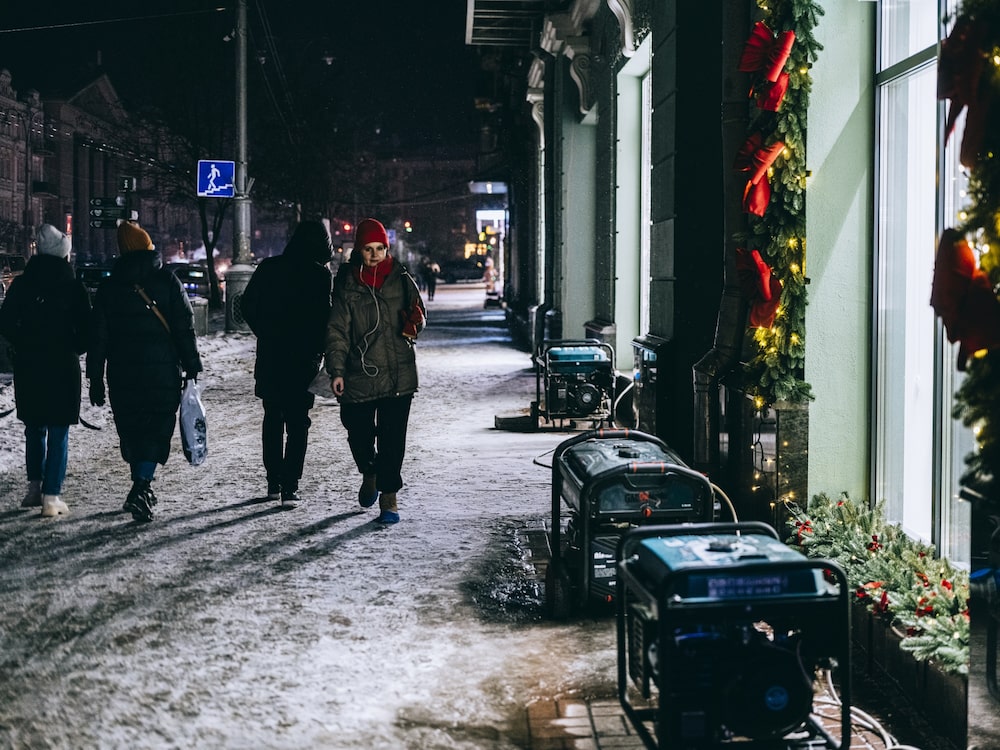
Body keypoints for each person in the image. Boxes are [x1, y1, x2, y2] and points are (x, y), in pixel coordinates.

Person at [86, 221, 203, 523]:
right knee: (155, 429)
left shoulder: (109, 289)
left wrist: (95, 379)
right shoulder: (167, 281)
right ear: (149, 247)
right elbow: (183, 328)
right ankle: (142, 485)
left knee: (134, 429)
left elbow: (97, 339)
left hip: (123, 375)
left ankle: (141, 483)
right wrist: (192, 365)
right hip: (162, 372)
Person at [325, 218, 426, 524]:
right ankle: (369, 470)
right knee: (358, 432)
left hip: (398, 374)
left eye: (379, 248)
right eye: (368, 249)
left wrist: (415, 322)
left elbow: (419, 313)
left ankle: (389, 497)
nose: (374, 255)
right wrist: (337, 370)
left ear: (387, 248)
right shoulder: (347, 283)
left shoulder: (401, 277)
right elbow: (337, 331)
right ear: (359, 250)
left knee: (393, 440)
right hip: (359, 373)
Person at [242, 220, 333, 508]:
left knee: (272, 418)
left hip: (272, 354)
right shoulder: (320, 275)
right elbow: (325, 317)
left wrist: (265, 331)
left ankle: (273, 481)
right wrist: (321, 348)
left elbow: (247, 304)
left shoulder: (269, 267)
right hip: (303, 357)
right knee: (298, 422)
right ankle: (290, 486)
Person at [0, 224, 90, 517]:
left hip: (30, 363)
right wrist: (74, 346)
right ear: (64, 254)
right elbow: (86, 330)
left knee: (34, 427)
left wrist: (23, 342)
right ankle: (52, 496)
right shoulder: (73, 286)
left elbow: (6, 322)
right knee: (58, 429)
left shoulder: (22, 285)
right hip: (62, 364)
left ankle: (34, 488)